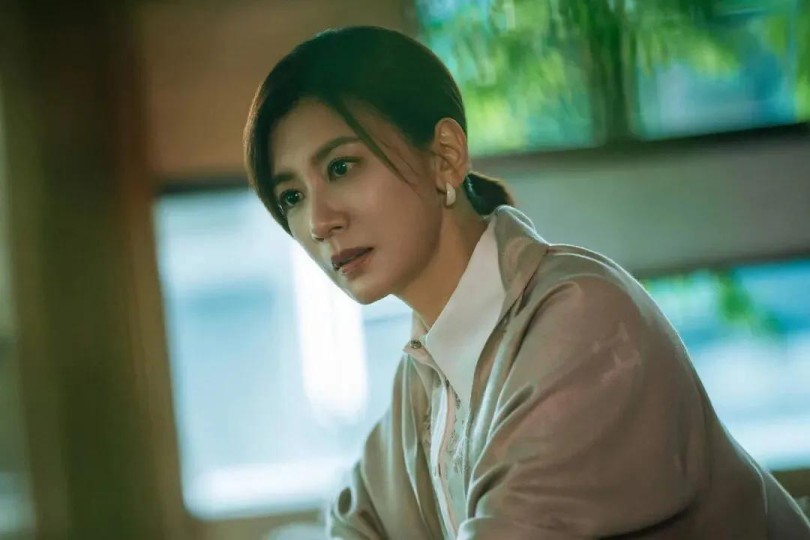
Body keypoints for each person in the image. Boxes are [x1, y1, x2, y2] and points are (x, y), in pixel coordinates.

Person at [243, 25, 810, 540]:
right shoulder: (421, 377)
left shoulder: (582, 320)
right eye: (292, 196)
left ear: (446, 156)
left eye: (341, 167)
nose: (318, 221)